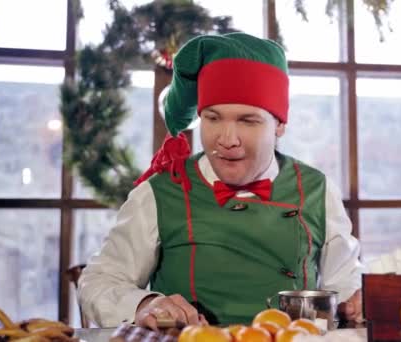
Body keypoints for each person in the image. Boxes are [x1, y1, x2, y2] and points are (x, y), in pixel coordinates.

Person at [77, 32, 365, 330]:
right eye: (213, 119)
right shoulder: (161, 191)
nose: (226, 140)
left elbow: (344, 281)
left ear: (279, 125)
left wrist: (352, 304)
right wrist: (145, 304)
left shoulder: (317, 189)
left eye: (247, 121)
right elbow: (100, 280)